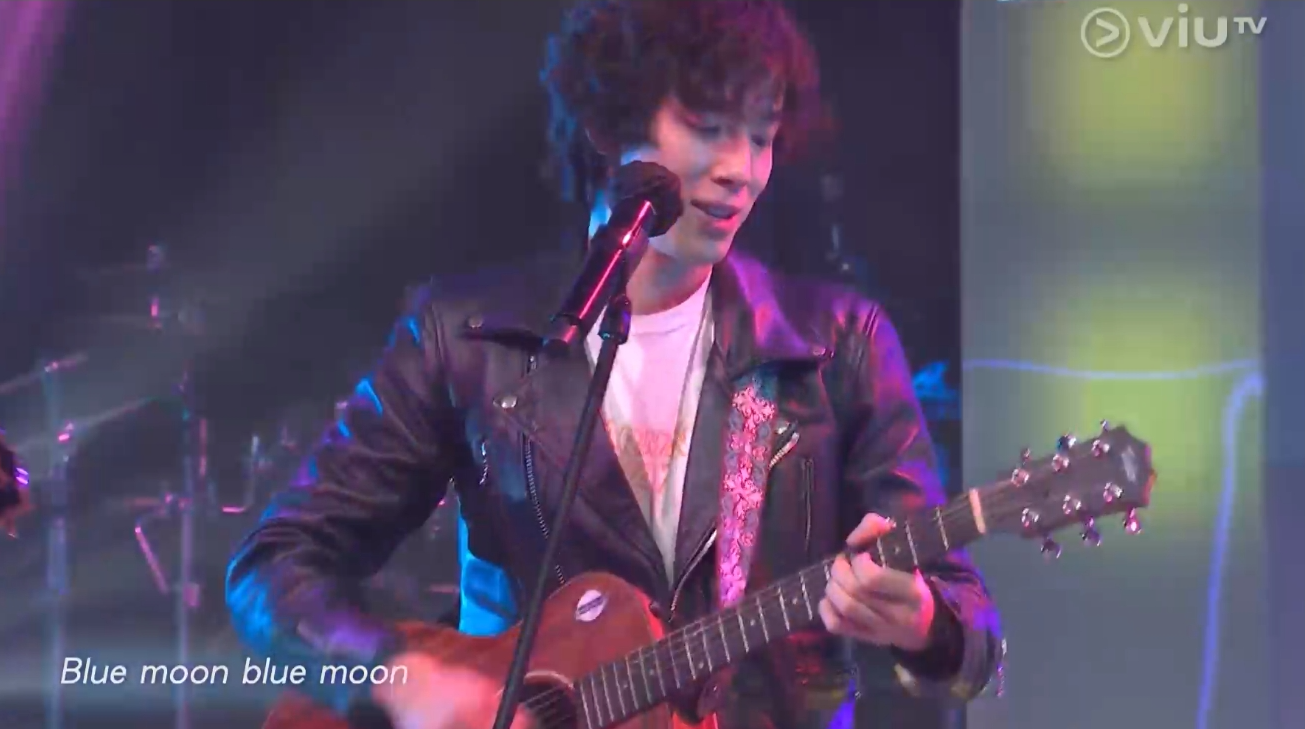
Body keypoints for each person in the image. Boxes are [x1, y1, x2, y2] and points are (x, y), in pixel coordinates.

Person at [225, 2, 1003, 728]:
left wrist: (924, 623)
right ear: (609, 122)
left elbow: (970, 634)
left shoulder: (838, 343)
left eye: (761, 135)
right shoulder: (464, 337)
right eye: (707, 127)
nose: (740, 168)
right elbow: (274, 565)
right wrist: (394, 675)